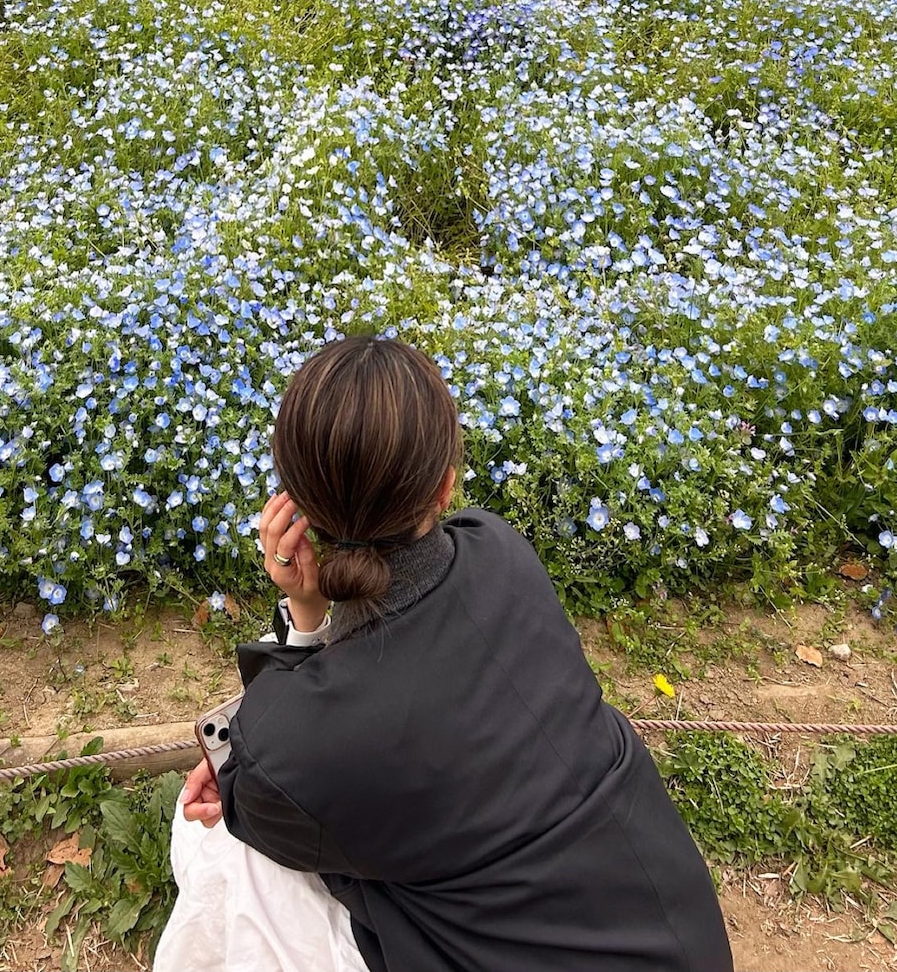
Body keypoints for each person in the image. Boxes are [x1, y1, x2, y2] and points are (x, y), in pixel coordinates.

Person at [155, 336, 735, 972]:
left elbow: (269, 778)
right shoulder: (500, 551)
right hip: (678, 937)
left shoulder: (294, 749)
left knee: (221, 850)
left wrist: (304, 622)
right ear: (443, 490)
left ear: (297, 509)